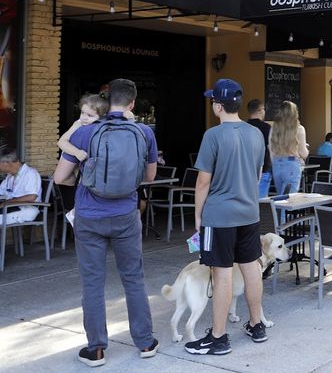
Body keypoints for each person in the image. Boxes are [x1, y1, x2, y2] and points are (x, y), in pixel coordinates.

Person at [53, 78, 159, 367]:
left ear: (106, 99)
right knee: (134, 278)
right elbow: (149, 177)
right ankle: (146, 342)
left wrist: (84, 177)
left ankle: (97, 349)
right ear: (133, 103)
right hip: (126, 214)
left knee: (92, 283)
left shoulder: (86, 131)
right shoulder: (144, 132)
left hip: (89, 216)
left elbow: (60, 178)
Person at [185, 78, 268, 355]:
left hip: (219, 216)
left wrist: (198, 215)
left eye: (213, 102)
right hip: (249, 212)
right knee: (251, 267)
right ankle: (257, 324)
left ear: (218, 106)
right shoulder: (256, 133)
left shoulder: (213, 135)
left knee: (221, 275)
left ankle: (218, 337)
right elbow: (257, 175)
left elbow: (202, 182)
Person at [268, 101, 308, 196]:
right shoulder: (299, 129)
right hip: (291, 164)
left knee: (280, 198)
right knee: (289, 200)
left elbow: (271, 150)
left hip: (277, 164)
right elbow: (304, 154)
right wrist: (306, 147)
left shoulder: (273, 128)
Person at [0, 150, 42, 226]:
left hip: (26, 209)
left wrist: (7, 202)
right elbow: (1, 192)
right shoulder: (10, 176)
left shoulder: (30, 173)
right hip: (10, 206)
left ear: (6, 163)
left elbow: (31, 197)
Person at [246, 99, 272, 199]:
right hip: (264, 169)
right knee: (262, 202)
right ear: (260, 110)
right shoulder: (266, 127)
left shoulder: (244, 126)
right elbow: (270, 149)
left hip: (246, 170)